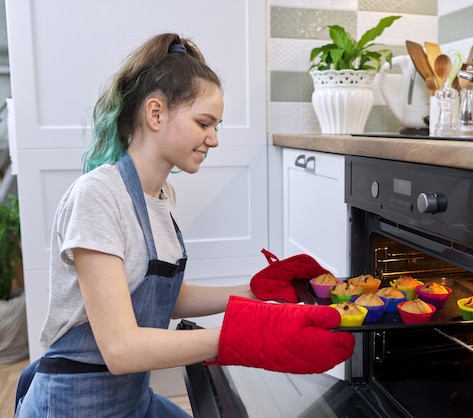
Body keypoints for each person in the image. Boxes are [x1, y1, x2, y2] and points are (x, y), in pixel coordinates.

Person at [14, 33, 354, 417]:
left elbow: (163, 299)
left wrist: (258, 291)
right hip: (73, 405)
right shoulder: (99, 196)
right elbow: (121, 349)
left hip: (133, 400)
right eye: (204, 123)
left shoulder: (162, 195)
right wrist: (246, 335)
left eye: (217, 126)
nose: (213, 139)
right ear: (155, 113)